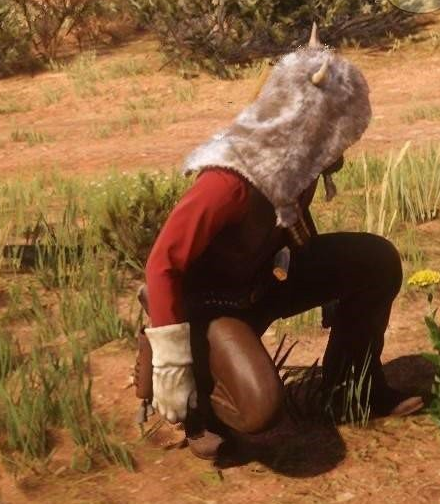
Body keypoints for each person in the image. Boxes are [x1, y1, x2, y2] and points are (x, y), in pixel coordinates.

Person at [141, 29, 423, 459]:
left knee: (373, 261)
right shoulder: (227, 182)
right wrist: (170, 362)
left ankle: (353, 390)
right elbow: (163, 263)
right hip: (212, 305)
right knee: (260, 409)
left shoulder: (299, 162)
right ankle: (194, 405)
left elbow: (286, 223)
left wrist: (331, 279)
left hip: (265, 282)